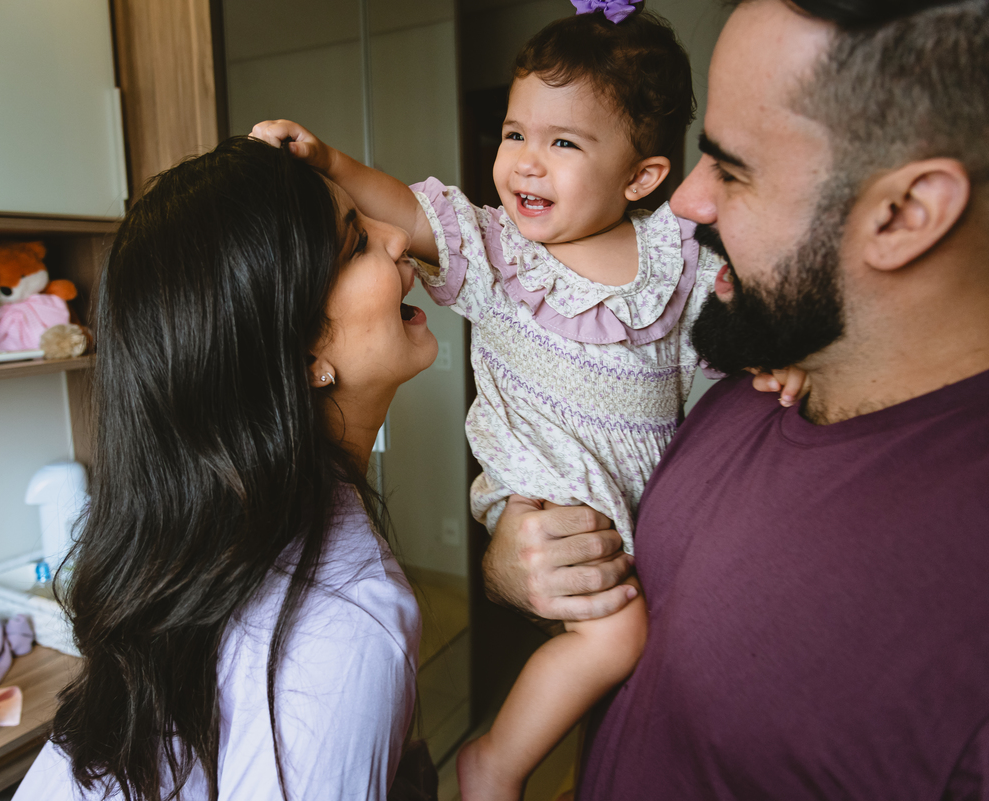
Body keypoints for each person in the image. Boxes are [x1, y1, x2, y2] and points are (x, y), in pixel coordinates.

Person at [252, 4, 805, 797]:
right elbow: (405, 212)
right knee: (616, 637)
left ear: (642, 176)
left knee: (650, 651)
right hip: (545, 478)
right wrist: (329, 158)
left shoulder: (672, 251)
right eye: (516, 134)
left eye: (564, 142)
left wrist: (779, 353)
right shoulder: (499, 253)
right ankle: (495, 761)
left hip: (636, 488)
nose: (525, 164)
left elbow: (735, 309)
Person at [481, 0, 989, 797]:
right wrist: (518, 564)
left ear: (905, 213)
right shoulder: (742, 375)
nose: (684, 202)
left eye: (733, 168)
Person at [12, 137, 438, 801]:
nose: (398, 236)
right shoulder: (346, 627)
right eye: (357, 240)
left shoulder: (215, 547)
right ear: (300, 356)